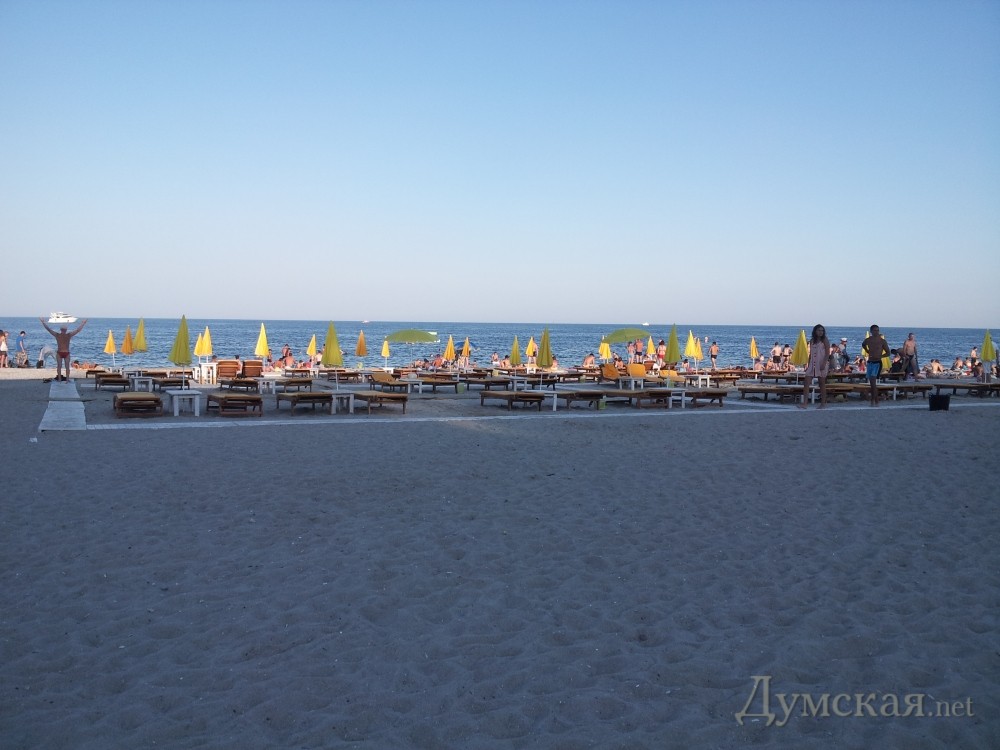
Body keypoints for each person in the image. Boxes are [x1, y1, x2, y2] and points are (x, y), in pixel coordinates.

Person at [800, 324, 831, 408]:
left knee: (821, 383)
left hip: (821, 363)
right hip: (812, 364)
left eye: (822, 330)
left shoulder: (825, 340)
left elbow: (827, 353)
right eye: (819, 330)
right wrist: (808, 364)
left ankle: (823, 403)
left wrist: (824, 363)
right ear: (815, 331)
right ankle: (805, 403)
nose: (821, 332)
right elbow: (810, 354)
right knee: (806, 382)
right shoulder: (812, 340)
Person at [861, 324, 891, 406]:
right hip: (870, 362)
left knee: (873, 382)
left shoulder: (882, 341)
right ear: (871, 331)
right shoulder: (868, 340)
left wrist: (881, 356)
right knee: (872, 383)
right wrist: (867, 350)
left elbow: (888, 352)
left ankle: (874, 400)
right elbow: (863, 344)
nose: (876, 332)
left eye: (878, 330)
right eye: (875, 330)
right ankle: (875, 400)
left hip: (877, 362)